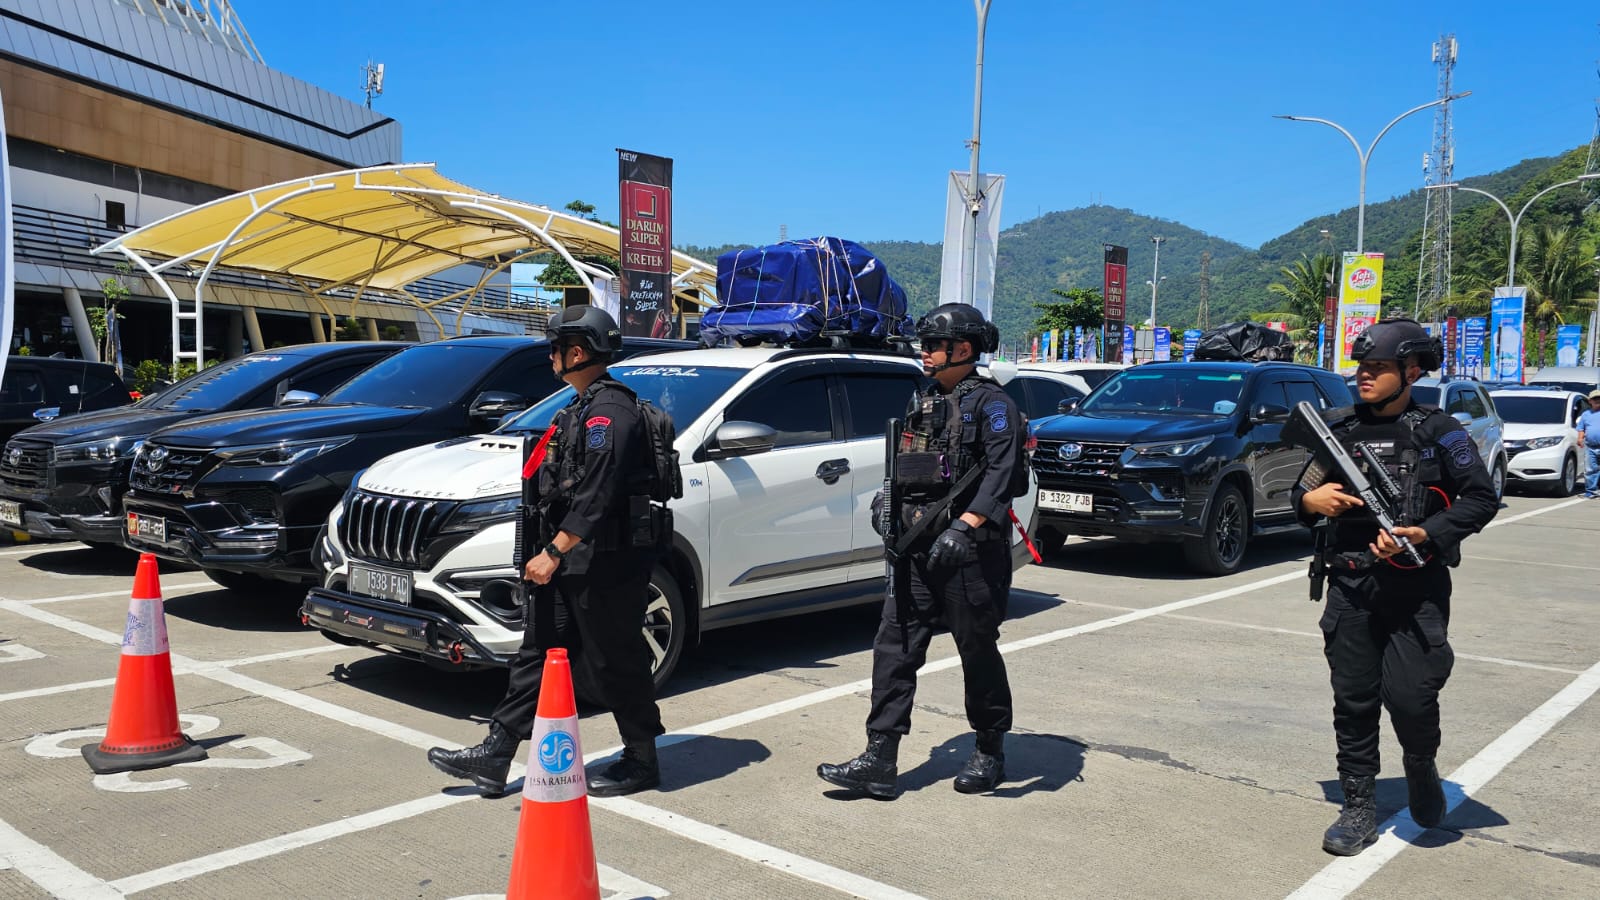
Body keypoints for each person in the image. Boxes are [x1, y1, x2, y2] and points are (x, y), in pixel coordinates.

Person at [428, 305, 666, 798]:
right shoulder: (577, 407)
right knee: (538, 652)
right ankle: (496, 753)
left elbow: (598, 494)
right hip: (572, 557)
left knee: (615, 658)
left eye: (555, 348)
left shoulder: (610, 412)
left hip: (607, 561)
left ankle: (642, 759)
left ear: (577, 353)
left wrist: (554, 551)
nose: (550, 356)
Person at [1294, 318, 1498, 856]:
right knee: (1353, 700)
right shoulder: (1337, 431)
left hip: (1416, 587)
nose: (1364, 376)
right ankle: (1358, 805)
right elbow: (1302, 492)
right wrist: (1310, 502)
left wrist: (1426, 533)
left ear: (1410, 372)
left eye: (1378, 367)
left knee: (1411, 697)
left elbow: (1481, 498)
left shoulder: (1440, 430)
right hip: (1351, 582)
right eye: (1361, 366)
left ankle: (1420, 764)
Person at [817, 302, 1024, 799]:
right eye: (925, 345)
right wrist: (884, 502)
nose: (925, 353)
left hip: (970, 554)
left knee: (977, 650)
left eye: (934, 345)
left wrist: (967, 526)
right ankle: (879, 759)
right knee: (894, 649)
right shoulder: (924, 399)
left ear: (964, 349)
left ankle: (990, 749)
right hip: (915, 548)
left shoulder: (994, 406)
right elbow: (905, 463)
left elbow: (1003, 476)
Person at [1577, 390, 1600, 498]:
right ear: (1590, 401)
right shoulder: (1586, 414)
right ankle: (1591, 491)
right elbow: (1581, 428)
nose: (1598, 400)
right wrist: (1580, 438)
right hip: (1590, 447)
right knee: (1590, 470)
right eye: (1595, 399)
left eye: (1599, 398)